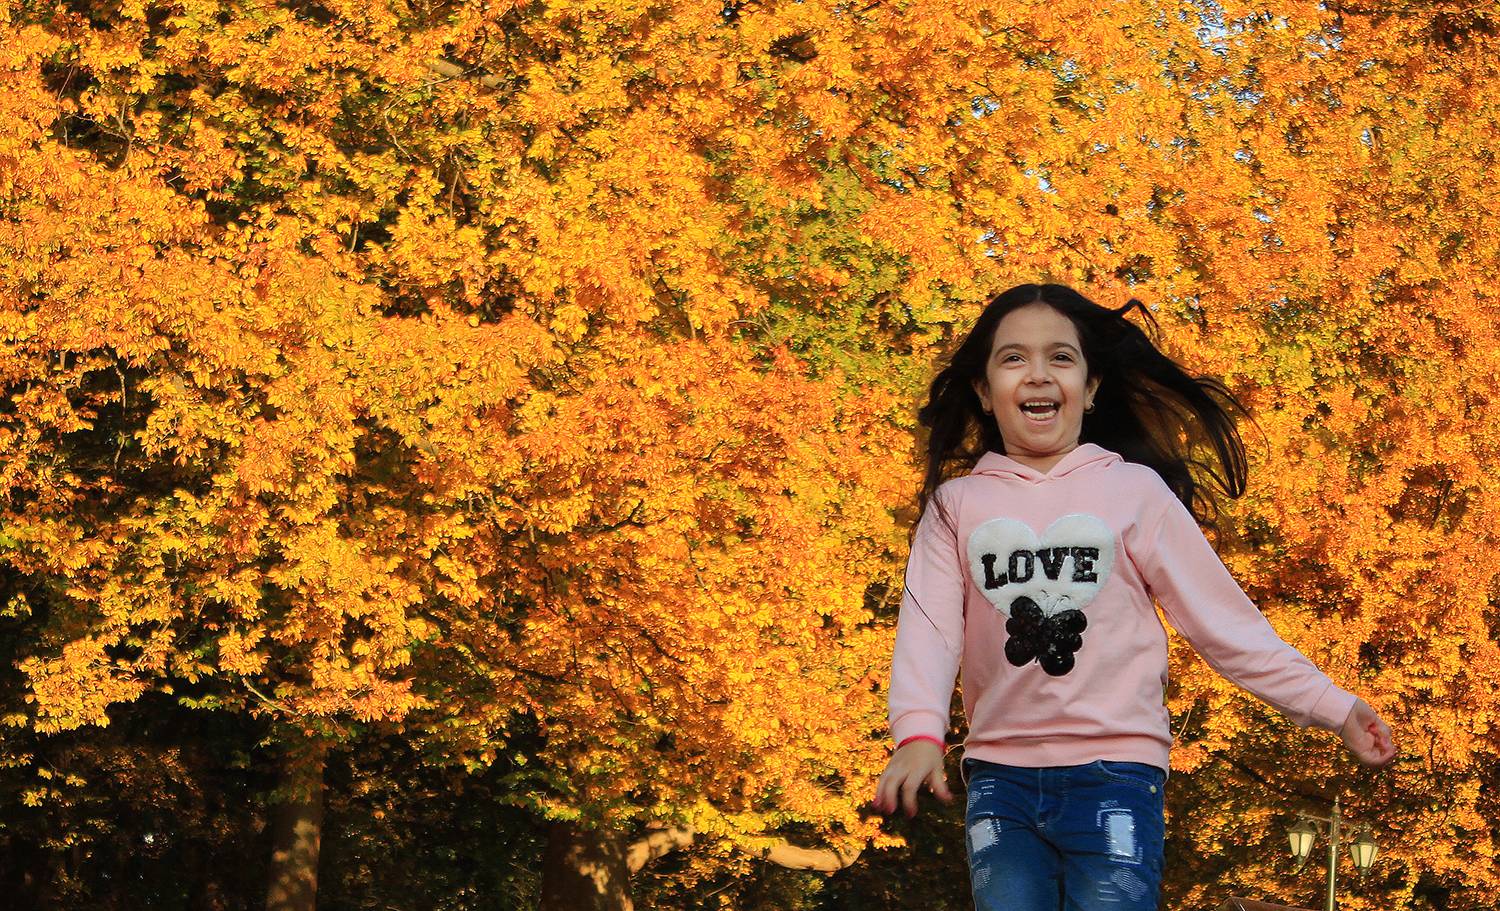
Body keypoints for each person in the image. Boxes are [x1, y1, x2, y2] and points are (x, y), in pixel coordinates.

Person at [871, 283, 1396, 911]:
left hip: (1115, 773)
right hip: (999, 781)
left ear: (1090, 387)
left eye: (1060, 357)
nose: (1037, 373)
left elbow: (1223, 624)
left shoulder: (1134, 492)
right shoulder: (957, 507)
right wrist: (919, 733)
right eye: (1013, 358)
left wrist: (1334, 706)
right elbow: (929, 630)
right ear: (984, 391)